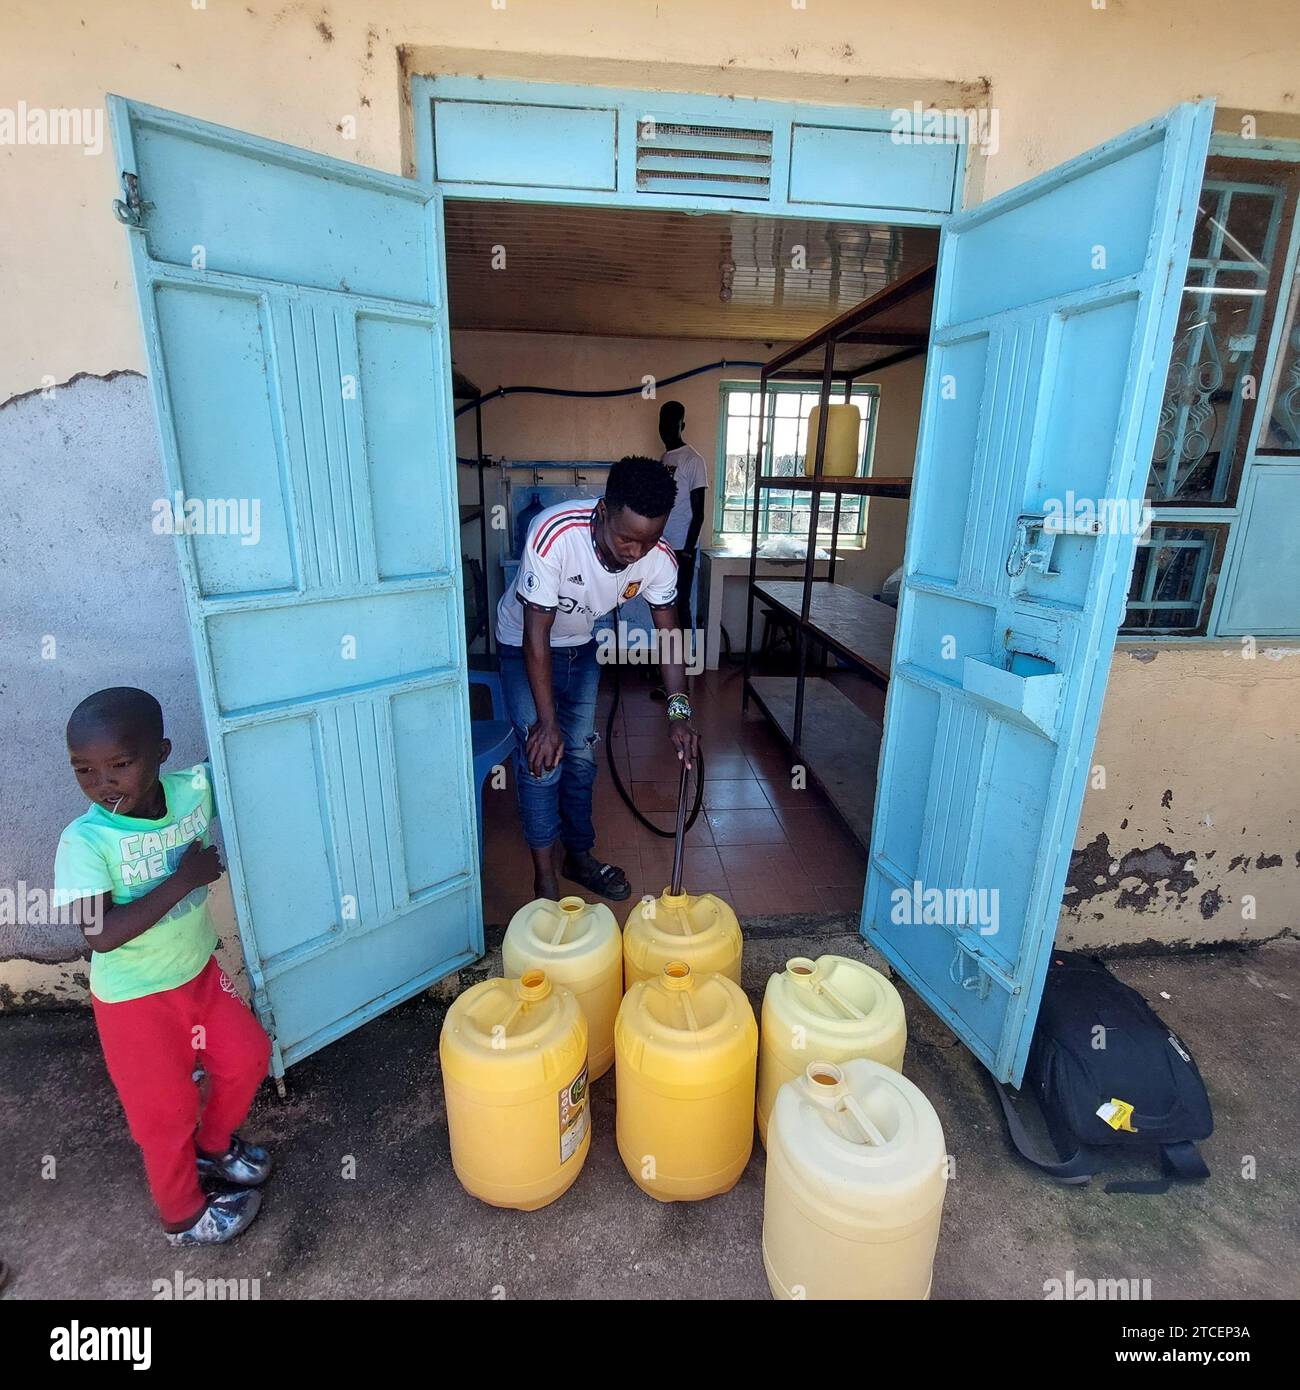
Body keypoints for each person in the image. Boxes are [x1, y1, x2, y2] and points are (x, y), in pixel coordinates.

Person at [53, 687, 272, 1246]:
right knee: (164, 1116)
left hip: (196, 973)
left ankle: (215, 1144)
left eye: (119, 766)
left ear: (162, 752)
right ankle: (182, 1215)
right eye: (84, 771)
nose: (102, 784)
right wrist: (183, 879)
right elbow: (99, 933)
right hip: (134, 1003)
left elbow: (244, 757)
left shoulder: (192, 791)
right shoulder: (84, 841)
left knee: (247, 1056)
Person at [495, 456, 702, 902]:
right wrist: (547, 724)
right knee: (543, 760)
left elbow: (669, 635)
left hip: (582, 646)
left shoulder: (658, 559)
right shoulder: (556, 535)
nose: (634, 553)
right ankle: (545, 879)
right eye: (626, 538)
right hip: (523, 645)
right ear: (603, 511)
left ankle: (578, 856)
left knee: (582, 758)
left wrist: (678, 711)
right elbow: (537, 634)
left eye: (647, 542)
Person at [658, 400, 709, 639]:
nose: (666, 429)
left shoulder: (693, 460)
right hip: (663, 545)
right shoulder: (665, 458)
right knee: (662, 604)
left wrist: (688, 551)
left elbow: (699, 512)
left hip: (682, 548)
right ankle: (668, 660)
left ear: (682, 425)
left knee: (680, 604)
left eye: (672, 424)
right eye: (663, 424)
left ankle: (688, 661)